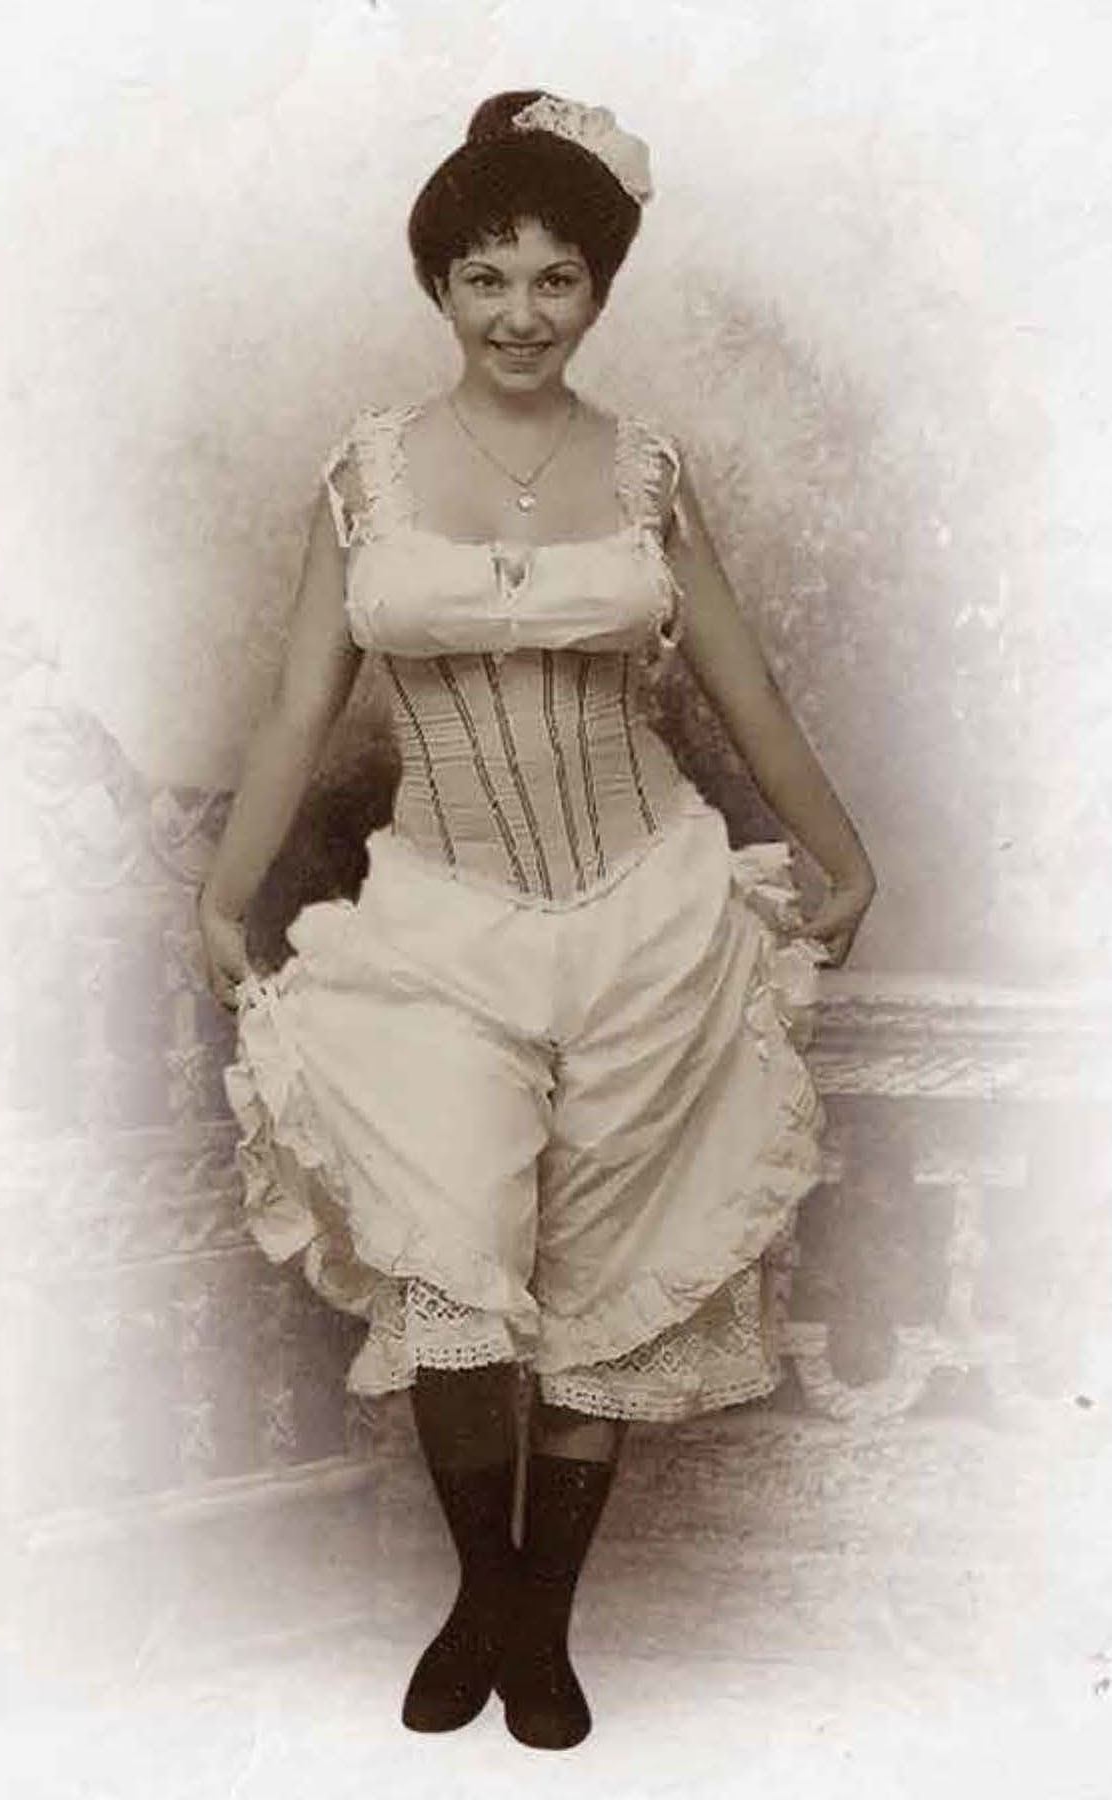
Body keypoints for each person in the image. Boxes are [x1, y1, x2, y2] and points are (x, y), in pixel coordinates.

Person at [198, 89, 876, 1752]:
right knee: (455, 1272)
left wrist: (842, 855)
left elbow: (748, 686)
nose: (521, 313)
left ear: (599, 288)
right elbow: (295, 713)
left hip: (648, 907)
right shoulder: (365, 474)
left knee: (607, 1276)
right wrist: (221, 890)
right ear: (438, 284)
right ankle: (482, 1597)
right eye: (486, 277)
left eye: (556, 278)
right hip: (441, 924)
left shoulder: (646, 470)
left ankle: (539, 1626)